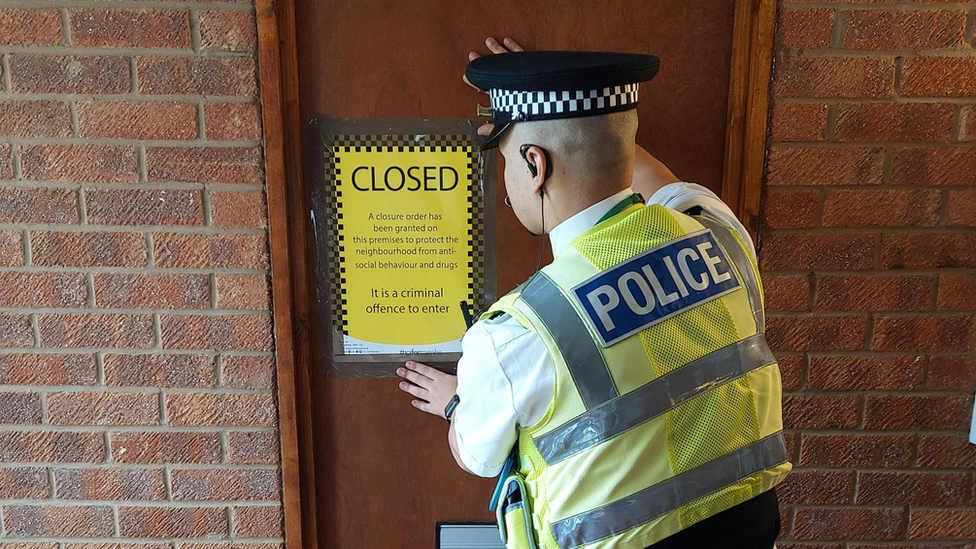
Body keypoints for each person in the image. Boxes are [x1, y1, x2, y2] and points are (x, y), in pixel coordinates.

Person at [398, 38, 790, 549]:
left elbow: (476, 454)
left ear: (535, 166)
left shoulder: (516, 333)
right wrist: (573, 91)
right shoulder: (717, 231)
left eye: (506, 161)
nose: (506, 178)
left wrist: (456, 403)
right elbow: (650, 174)